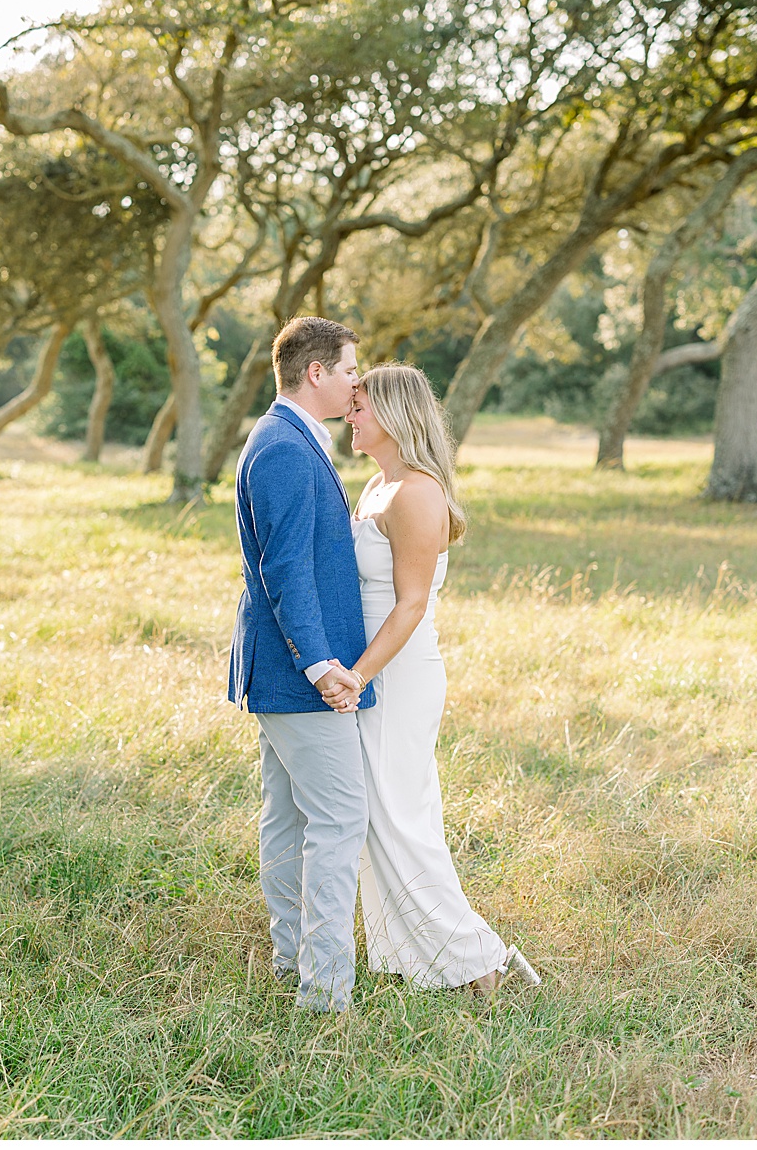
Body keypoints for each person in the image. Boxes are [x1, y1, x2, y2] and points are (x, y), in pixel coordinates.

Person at [338, 363, 540, 997]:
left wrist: (357, 678)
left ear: (394, 416)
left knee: (400, 816)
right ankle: (413, 956)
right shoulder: (377, 485)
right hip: (371, 668)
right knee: (378, 815)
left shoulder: (416, 492)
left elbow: (411, 603)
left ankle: (483, 963)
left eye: (359, 406)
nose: (350, 414)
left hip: (395, 673)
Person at [228, 316, 373, 1013]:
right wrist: (321, 665)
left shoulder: (288, 438)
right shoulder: (284, 448)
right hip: (299, 674)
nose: (356, 383)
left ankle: (294, 964)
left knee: (288, 819)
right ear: (315, 373)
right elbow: (284, 567)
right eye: (349, 370)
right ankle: (323, 991)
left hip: (284, 670)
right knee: (341, 818)